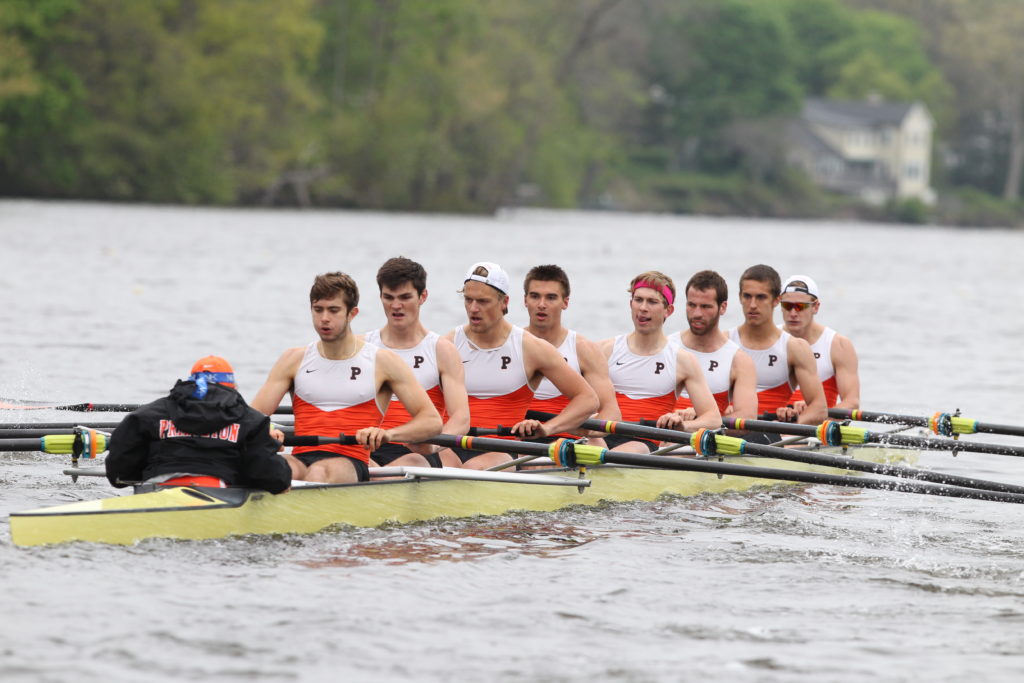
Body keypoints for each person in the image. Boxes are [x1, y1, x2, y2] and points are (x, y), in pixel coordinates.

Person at [251, 272, 442, 483]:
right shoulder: (293, 359)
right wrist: (267, 429)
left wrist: (387, 435)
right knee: (271, 467)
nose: (324, 318)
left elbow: (431, 421)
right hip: (301, 456)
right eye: (318, 310)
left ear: (352, 313)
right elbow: (250, 418)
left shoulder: (383, 362)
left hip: (350, 461)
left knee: (319, 472)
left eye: (333, 310)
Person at [444, 262, 598, 469]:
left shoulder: (530, 348)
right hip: (449, 445)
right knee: (439, 467)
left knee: (470, 471)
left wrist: (548, 428)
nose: (473, 309)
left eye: (482, 301)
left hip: (500, 450)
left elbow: (588, 399)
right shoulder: (448, 344)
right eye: (468, 300)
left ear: (504, 302)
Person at [105, 356, 292, 493]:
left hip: (153, 490)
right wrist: (277, 463)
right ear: (232, 386)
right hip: (218, 494)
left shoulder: (148, 414)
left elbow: (119, 472)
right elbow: (271, 478)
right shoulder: (250, 420)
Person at [364, 257, 470, 468]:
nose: (395, 306)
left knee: (410, 462)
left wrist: (435, 445)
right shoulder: (363, 346)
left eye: (405, 297)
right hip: (368, 448)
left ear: (423, 297)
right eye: (388, 297)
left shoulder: (441, 349)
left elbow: (461, 418)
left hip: (416, 450)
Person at [599, 271, 721, 453]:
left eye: (652, 302)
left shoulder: (681, 360)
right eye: (638, 300)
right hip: (599, 436)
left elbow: (713, 419)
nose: (643, 308)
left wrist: (683, 426)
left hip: (644, 441)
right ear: (630, 304)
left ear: (668, 310)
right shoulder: (604, 350)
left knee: (628, 451)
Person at [523, 264, 619, 445]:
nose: (541, 305)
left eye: (551, 298)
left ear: (565, 302)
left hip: (571, 439)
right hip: (523, 436)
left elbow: (611, 411)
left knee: (597, 443)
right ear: (525, 300)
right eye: (535, 296)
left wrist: (590, 429)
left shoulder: (584, 349)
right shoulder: (512, 344)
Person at [728, 264, 826, 425]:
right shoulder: (725, 343)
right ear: (739, 297)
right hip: (729, 432)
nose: (752, 304)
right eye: (747, 296)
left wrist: (792, 427)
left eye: (760, 297)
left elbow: (819, 408)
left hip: (775, 436)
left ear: (776, 300)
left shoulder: (795, 348)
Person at [669, 270, 757, 420]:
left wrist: (700, 419)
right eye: (692, 305)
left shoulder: (739, 360)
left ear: (722, 307)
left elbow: (746, 417)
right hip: (662, 437)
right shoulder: (668, 346)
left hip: (707, 440)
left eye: (705, 307)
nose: (696, 313)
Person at [778, 274, 860, 418]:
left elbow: (851, 402)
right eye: (787, 305)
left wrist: (814, 412)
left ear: (815, 307)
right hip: (773, 423)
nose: (793, 313)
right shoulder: (767, 340)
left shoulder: (838, 345)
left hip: (817, 431)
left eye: (800, 306)